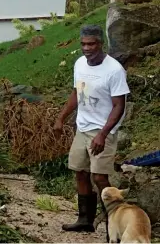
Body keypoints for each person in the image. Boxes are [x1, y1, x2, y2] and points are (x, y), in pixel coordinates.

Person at [54, 24, 130, 232]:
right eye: (83, 44)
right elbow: (76, 93)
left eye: (91, 44)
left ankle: (114, 223)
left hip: (103, 130)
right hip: (83, 127)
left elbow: (119, 105)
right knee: (80, 171)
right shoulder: (80, 64)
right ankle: (85, 220)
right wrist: (61, 118)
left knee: (99, 176)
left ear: (100, 44)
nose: (87, 48)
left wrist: (103, 134)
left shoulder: (114, 70)